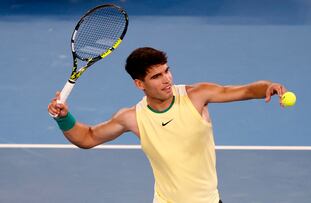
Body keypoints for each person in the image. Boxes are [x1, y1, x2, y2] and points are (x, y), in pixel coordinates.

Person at [48, 47, 287, 203]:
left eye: (167, 71)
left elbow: (242, 90)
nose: (167, 80)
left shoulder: (196, 96)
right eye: (157, 76)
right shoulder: (132, 117)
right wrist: (63, 118)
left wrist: (267, 87)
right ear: (139, 84)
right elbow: (87, 138)